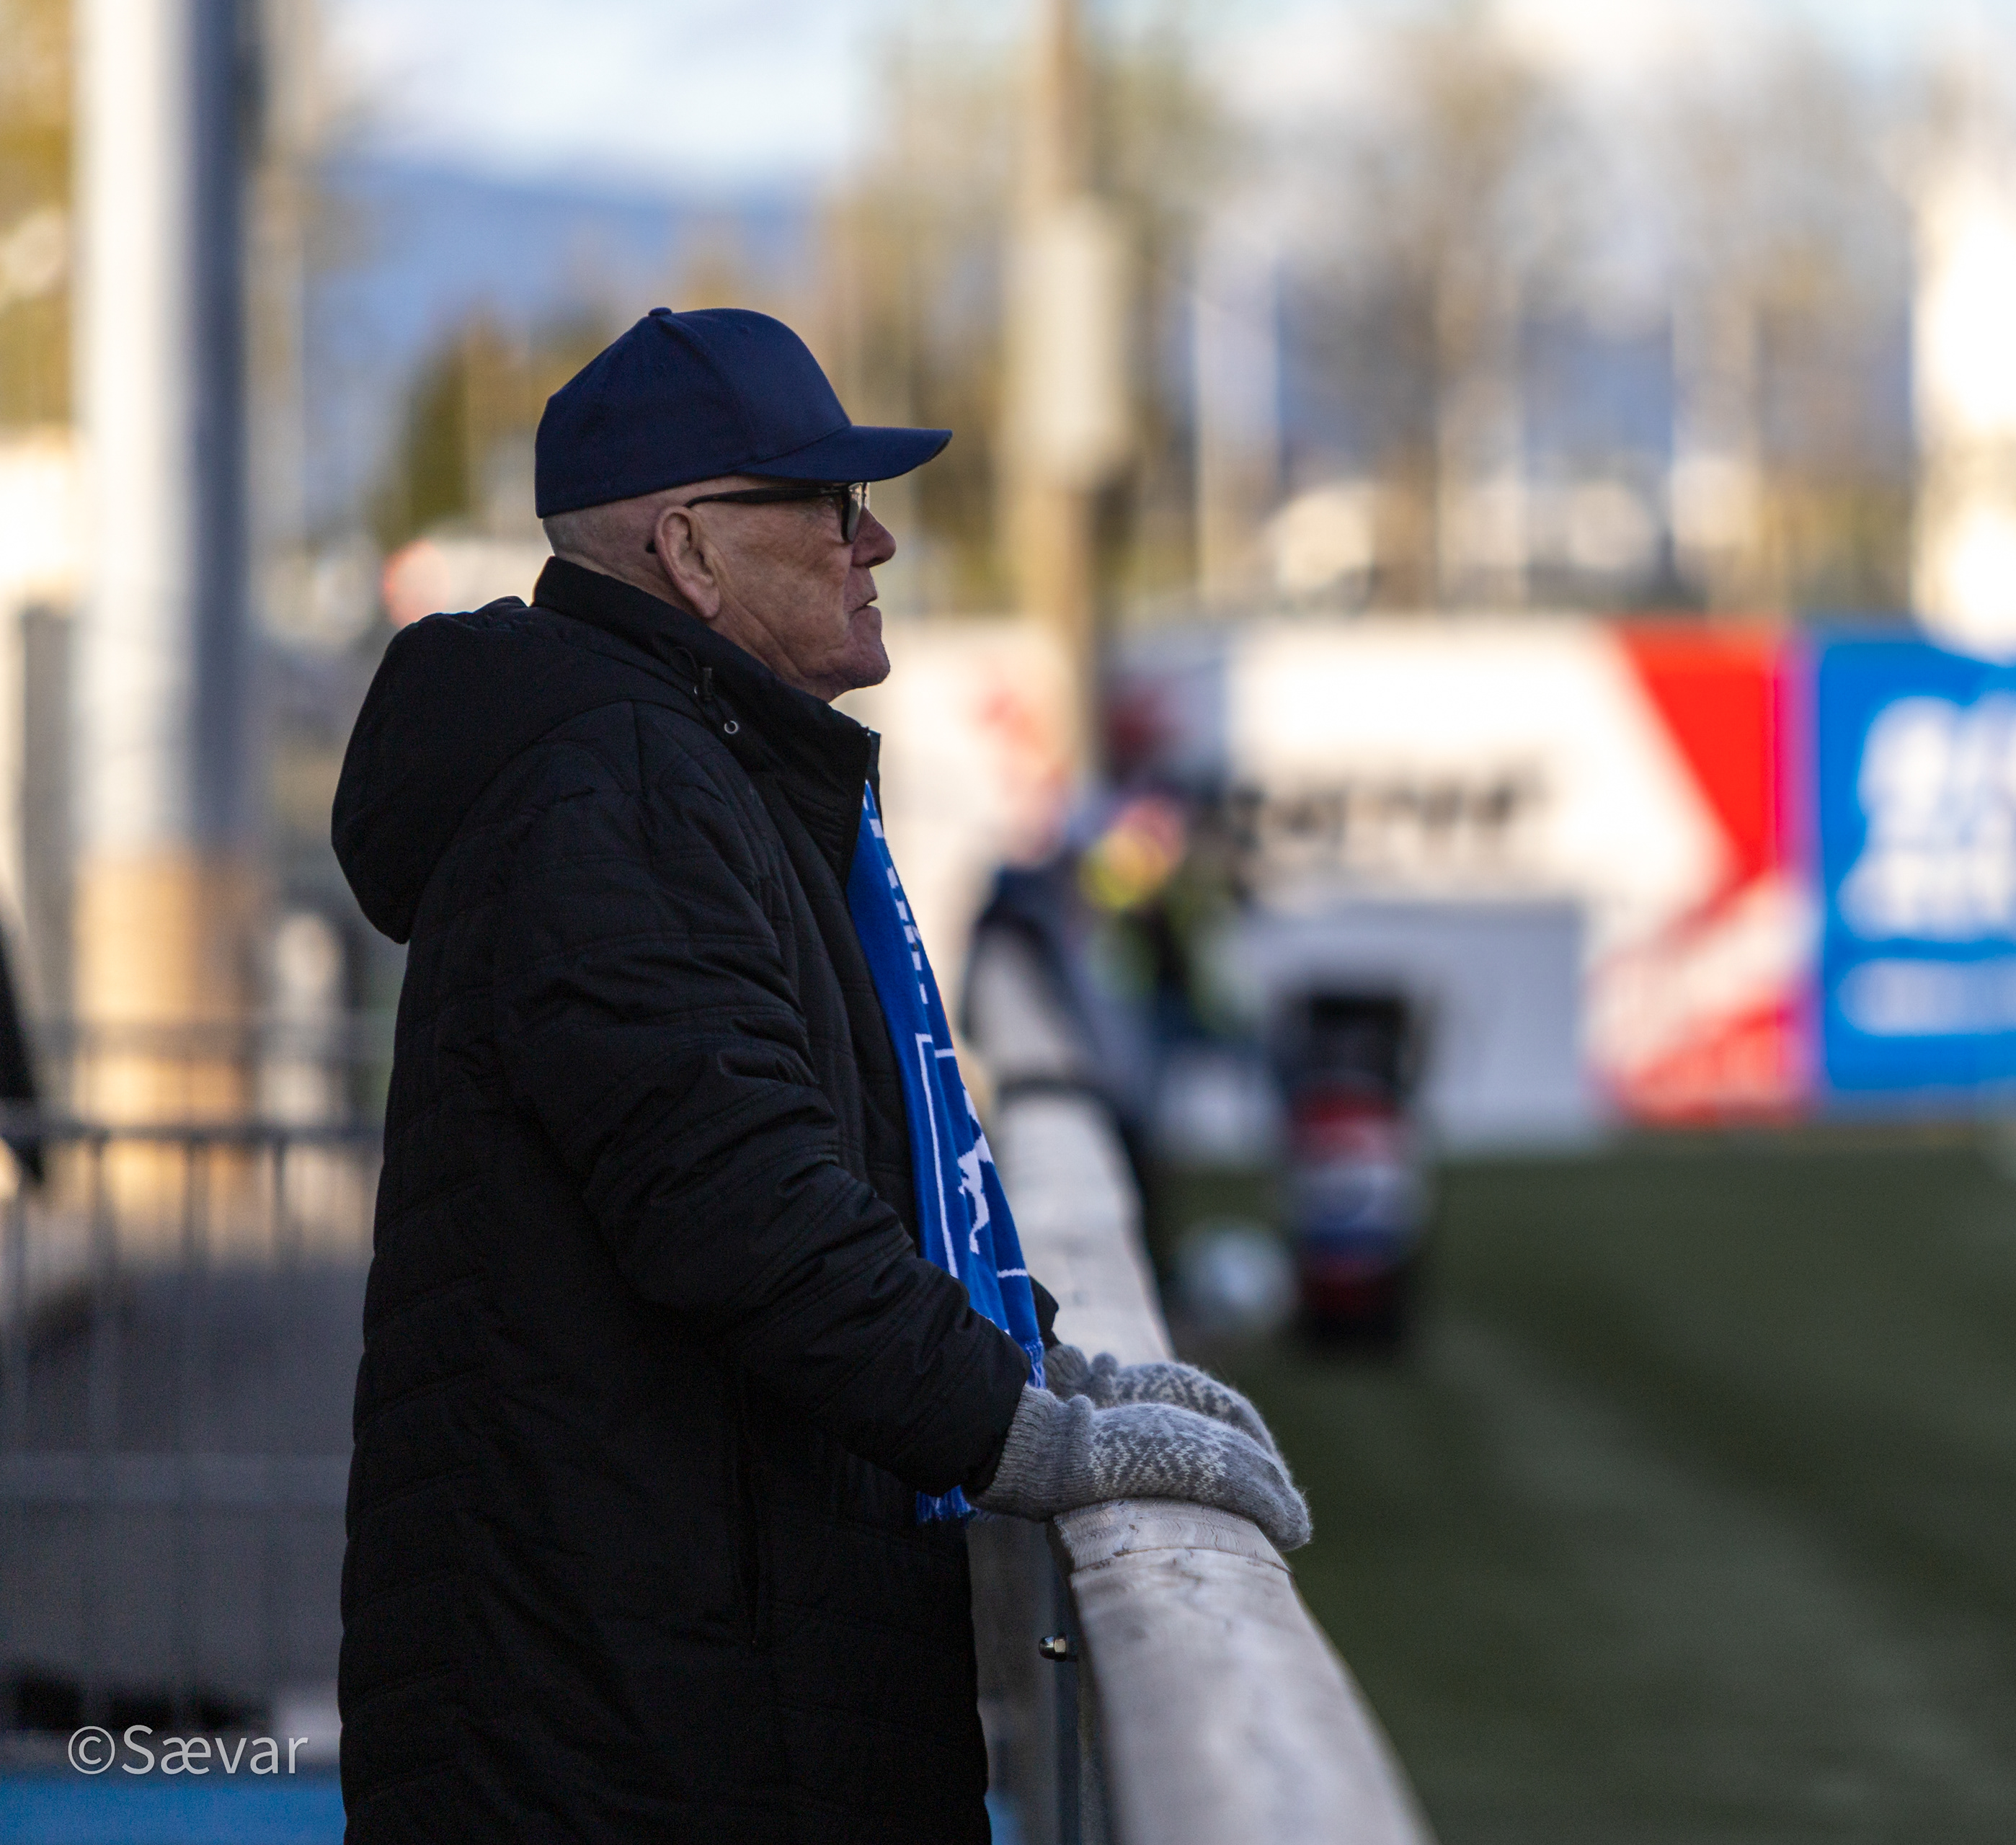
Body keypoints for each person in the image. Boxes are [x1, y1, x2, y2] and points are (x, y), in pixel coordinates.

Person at [329, 306, 1306, 1843]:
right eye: (834, 504)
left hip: (670, 1695)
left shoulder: (675, 761)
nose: (878, 542)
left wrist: (1047, 1361)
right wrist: (1042, 1437)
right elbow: (747, 1209)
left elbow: (828, 1168)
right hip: (632, 1742)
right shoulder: (621, 784)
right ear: (691, 552)